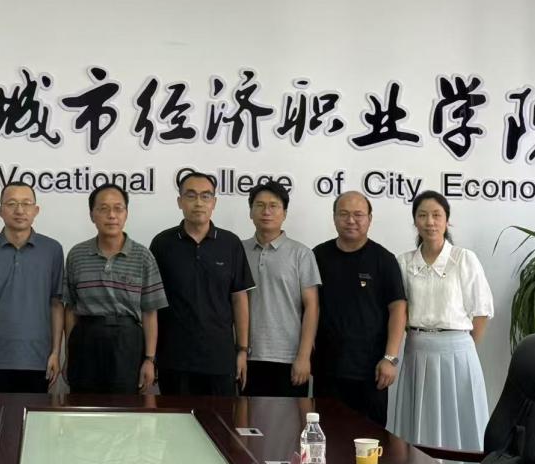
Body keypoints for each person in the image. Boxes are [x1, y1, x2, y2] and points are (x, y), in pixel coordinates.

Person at [393, 190, 494, 451]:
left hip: (457, 354)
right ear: (415, 221)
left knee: (458, 421)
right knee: (420, 423)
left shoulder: (464, 259)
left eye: (437, 215)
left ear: (447, 220)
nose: (430, 222)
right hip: (416, 352)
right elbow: (398, 311)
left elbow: (481, 311)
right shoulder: (403, 262)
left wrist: (463, 348)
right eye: (422, 215)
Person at [150, 170, 255, 396]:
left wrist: (242, 350)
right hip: (174, 358)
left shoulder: (230, 243)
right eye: (191, 195)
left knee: (220, 418)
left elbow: (239, 299)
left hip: (219, 358)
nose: (198, 202)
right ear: (179, 201)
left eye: (205, 196)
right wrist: (151, 357)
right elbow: (152, 304)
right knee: (175, 418)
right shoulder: (162, 244)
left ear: (214, 202)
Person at [313, 190, 406, 427]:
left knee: (370, 439)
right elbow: (309, 308)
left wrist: (390, 358)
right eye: (343, 214)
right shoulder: (318, 256)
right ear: (334, 217)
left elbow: (398, 309)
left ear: (369, 219)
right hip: (327, 369)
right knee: (328, 436)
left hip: (371, 371)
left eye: (358, 214)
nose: (351, 220)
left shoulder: (384, 259)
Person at [63, 183, 168, 394]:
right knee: (82, 406)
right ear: (92, 215)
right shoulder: (77, 255)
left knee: (125, 407)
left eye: (118, 208)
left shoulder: (143, 256)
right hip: (85, 340)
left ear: (126, 214)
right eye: (103, 209)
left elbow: (149, 312)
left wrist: (149, 359)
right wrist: (68, 354)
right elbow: (70, 309)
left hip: (127, 342)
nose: (111, 215)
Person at [0, 181, 64, 393]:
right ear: (0, 211)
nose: (19, 210)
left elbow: (56, 304)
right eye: (11, 204)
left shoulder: (53, 250)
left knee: (33, 414)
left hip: (38, 359)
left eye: (26, 203)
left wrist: (56, 352)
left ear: (36, 210)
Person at [242, 180, 320, 397]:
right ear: (250, 212)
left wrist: (304, 356)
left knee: (288, 418)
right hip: (246, 356)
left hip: (288, 358)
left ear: (284, 213)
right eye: (259, 205)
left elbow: (312, 307)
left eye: (273, 206)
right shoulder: (238, 250)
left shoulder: (301, 254)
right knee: (247, 417)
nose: (266, 211)